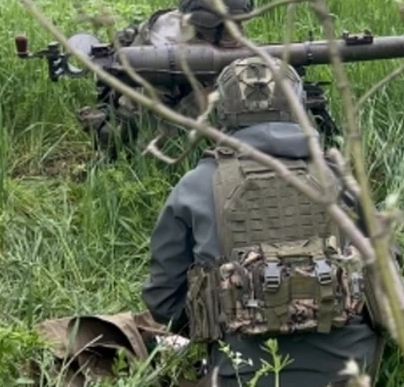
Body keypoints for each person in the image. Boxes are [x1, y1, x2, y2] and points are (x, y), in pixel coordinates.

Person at [141, 55, 386, 386]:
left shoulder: (198, 184)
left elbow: (164, 301)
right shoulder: (338, 179)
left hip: (240, 374)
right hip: (352, 371)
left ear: (223, 111)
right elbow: (388, 266)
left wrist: (223, 311)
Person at [76, 0, 256, 160]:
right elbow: (149, 150)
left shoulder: (203, 40)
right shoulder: (158, 63)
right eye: (232, 28)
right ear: (205, 27)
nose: (239, 34)